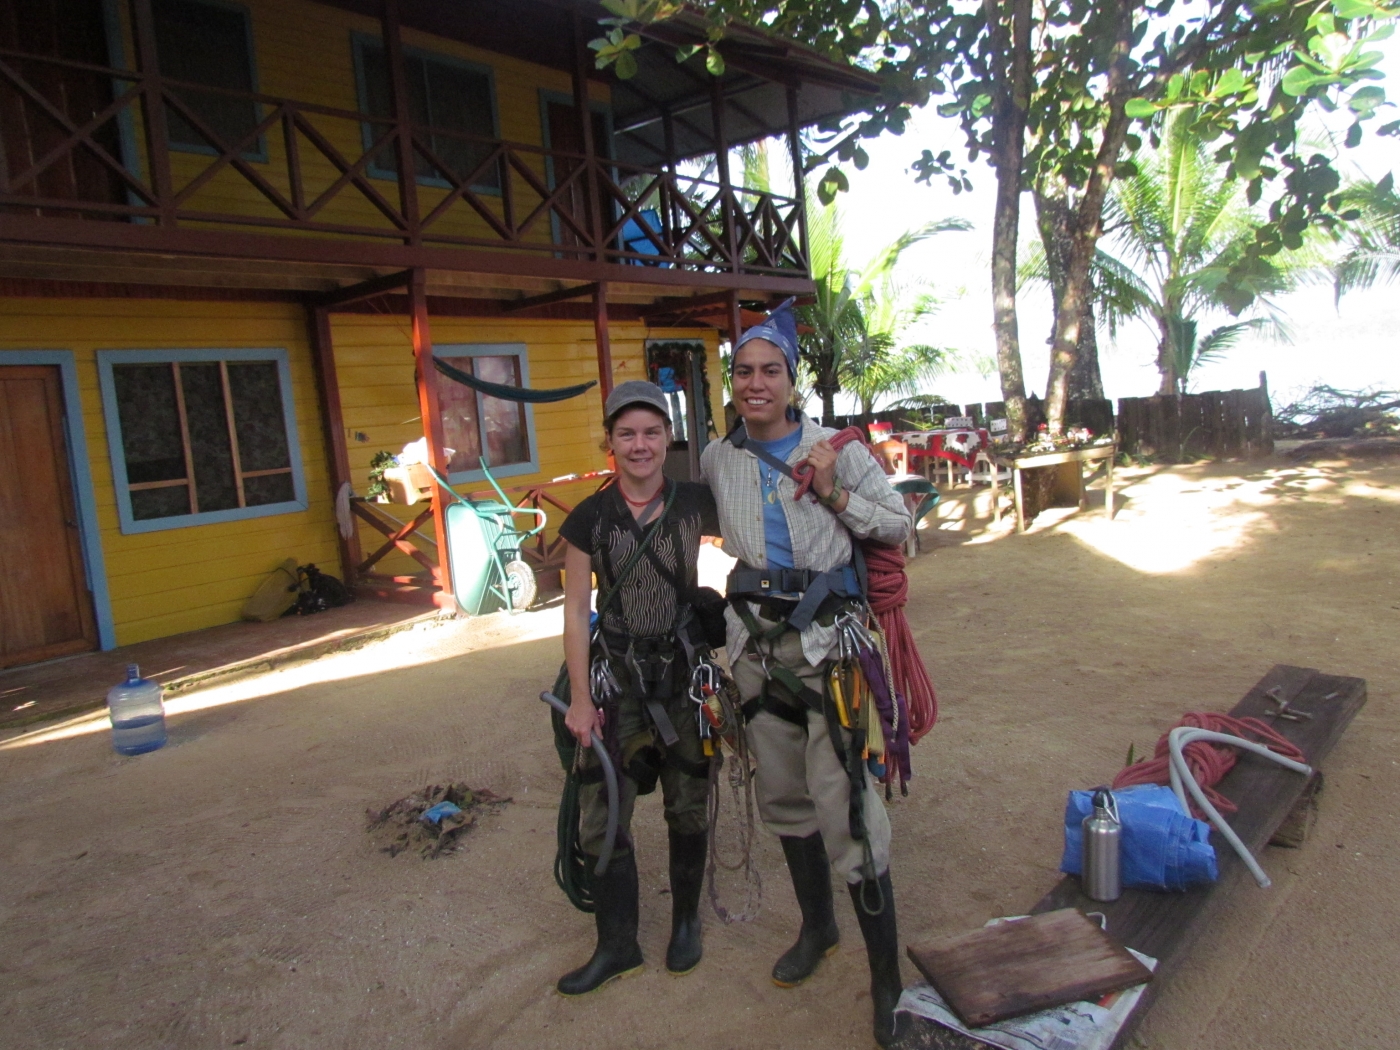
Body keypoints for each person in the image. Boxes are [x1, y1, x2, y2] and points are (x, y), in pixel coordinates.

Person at [700, 301, 913, 1047]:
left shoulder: (838, 448)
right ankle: (818, 927)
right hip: (754, 650)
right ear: (734, 384)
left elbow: (899, 527)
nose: (757, 384)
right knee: (784, 795)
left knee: (849, 809)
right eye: (745, 372)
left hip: (829, 649)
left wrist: (832, 490)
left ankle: (888, 981)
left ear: (793, 381)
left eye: (771, 371)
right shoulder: (718, 457)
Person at [554, 380, 719, 995]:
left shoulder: (695, 503)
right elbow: (575, 611)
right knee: (602, 814)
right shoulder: (589, 518)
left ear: (668, 439)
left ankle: (684, 924)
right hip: (615, 678)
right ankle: (617, 945)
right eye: (627, 434)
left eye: (652, 432)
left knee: (688, 801)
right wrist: (578, 697)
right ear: (610, 443)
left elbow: (765, 522)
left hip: (684, 674)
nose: (640, 444)